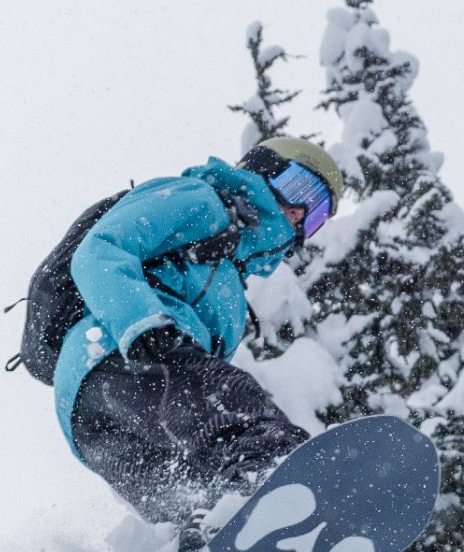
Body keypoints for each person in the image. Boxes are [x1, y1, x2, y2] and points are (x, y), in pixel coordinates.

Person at [52, 136, 345, 531]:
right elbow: (100, 248)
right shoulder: (201, 200)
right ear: (263, 169)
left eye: (317, 214)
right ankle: (281, 483)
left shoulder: (231, 282)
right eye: (300, 188)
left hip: (94, 421)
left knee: (191, 500)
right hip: (121, 354)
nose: (300, 210)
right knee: (245, 421)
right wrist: (143, 325)